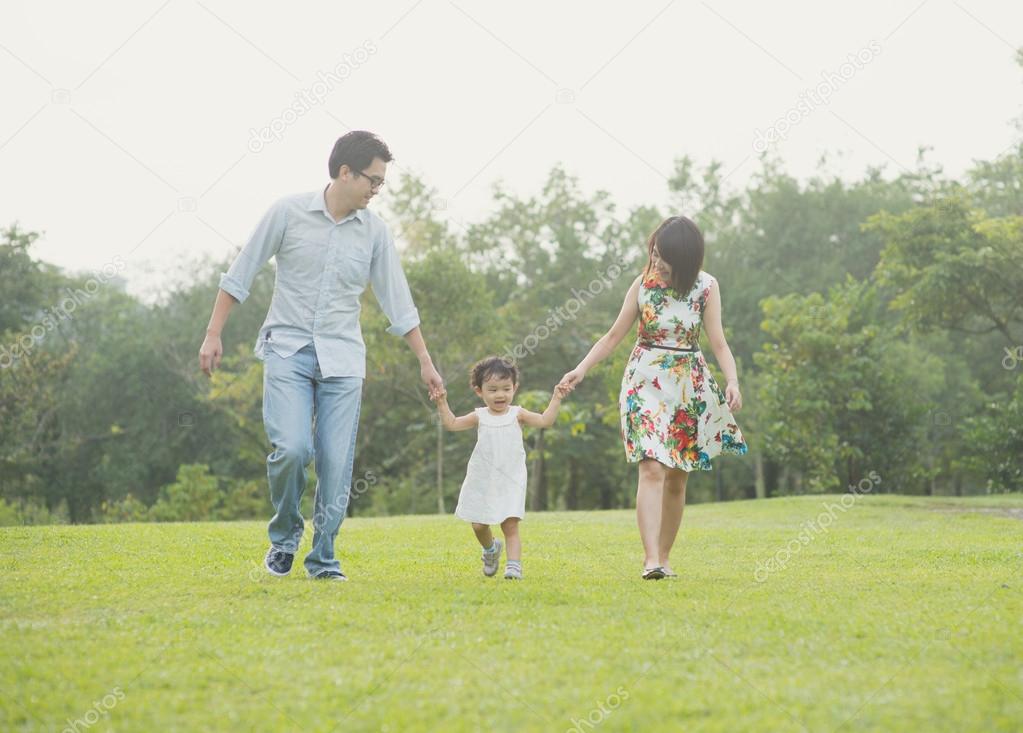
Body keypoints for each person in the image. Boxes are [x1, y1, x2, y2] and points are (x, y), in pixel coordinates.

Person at [198, 131, 443, 581]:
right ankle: (285, 538)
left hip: (344, 360)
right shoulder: (287, 211)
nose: (376, 190)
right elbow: (241, 271)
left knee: (335, 463)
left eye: (382, 183)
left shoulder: (374, 232)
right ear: (345, 172)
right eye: (373, 179)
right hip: (287, 350)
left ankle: (324, 558)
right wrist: (214, 333)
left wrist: (425, 360)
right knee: (292, 449)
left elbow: (398, 300)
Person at [559, 216, 747, 579]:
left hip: (687, 384)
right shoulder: (642, 286)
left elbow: (719, 342)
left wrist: (733, 381)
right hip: (643, 380)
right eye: (654, 253)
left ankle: (664, 556)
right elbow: (613, 336)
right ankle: (650, 560)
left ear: (686, 259)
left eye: (664, 257)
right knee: (651, 466)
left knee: (678, 476)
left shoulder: (706, 288)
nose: (656, 262)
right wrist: (580, 369)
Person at [433, 357, 566, 580]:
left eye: (506, 388)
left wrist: (556, 398)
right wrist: (441, 402)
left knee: (510, 524)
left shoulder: (518, 414)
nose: (500, 395)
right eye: (492, 389)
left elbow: (545, 420)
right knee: (478, 525)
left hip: (511, 479)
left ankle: (514, 567)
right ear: (479, 391)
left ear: (515, 388)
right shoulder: (480, 415)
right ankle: (491, 550)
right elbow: (452, 424)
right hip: (483, 479)